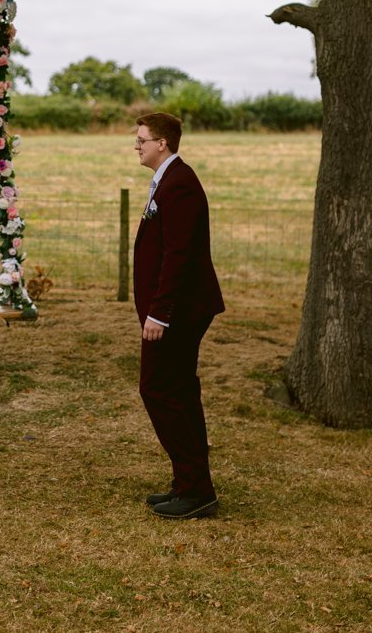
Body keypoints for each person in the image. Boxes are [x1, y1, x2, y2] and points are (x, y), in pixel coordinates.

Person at [131, 112, 226, 519]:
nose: (136, 146)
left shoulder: (181, 184)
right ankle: (188, 483)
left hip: (179, 312)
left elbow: (179, 256)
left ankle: (196, 488)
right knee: (179, 392)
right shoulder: (168, 180)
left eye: (142, 140)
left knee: (160, 390)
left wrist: (160, 313)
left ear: (162, 144)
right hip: (174, 311)